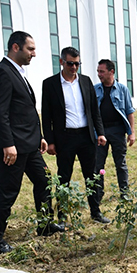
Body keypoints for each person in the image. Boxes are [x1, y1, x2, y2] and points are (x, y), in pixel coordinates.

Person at [0, 31, 64, 253]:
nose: (34, 53)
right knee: (8, 191)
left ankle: (44, 225)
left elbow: (27, 110)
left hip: (30, 144)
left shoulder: (18, 72)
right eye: (30, 49)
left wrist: (40, 136)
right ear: (16, 47)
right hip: (13, 147)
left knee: (44, 181)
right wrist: (7, 144)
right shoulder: (2, 73)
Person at [41, 47, 110, 224]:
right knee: (64, 177)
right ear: (61, 62)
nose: (74, 67)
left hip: (86, 136)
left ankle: (96, 212)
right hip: (65, 138)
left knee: (92, 176)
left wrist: (100, 133)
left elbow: (95, 111)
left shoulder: (86, 82)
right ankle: (62, 217)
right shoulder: (50, 84)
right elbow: (46, 115)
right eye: (70, 63)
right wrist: (50, 141)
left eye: (77, 64)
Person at [94, 59, 135, 203]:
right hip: (100, 133)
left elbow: (129, 111)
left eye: (102, 71)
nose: (99, 74)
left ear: (111, 72)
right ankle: (97, 194)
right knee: (98, 165)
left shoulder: (122, 89)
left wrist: (132, 132)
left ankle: (124, 193)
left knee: (120, 164)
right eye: (98, 71)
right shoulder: (95, 89)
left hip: (118, 131)